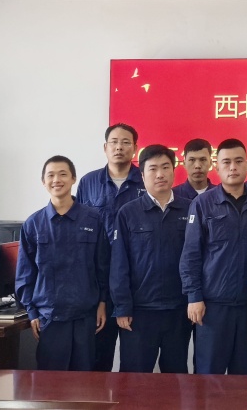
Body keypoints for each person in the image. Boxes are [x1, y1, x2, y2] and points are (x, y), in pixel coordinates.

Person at [180, 138, 247, 374]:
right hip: (213, 306)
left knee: (246, 376)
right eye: (227, 162)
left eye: (239, 161)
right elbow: (191, 254)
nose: (233, 167)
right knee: (209, 375)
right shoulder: (202, 204)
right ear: (217, 167)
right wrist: (194, 296)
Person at [15, 156, 108, 371]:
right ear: (43, 182)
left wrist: (103, 302)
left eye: (63, 174)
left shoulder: (93, 219)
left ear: (73, 178)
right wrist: (31, 312)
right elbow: (25, 274)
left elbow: (103, 265)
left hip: (86, 317)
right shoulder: (33, 224)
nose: (57, 180)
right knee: (50, 384)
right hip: (49, 318)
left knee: (84, 383)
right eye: (51, 175)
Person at [110, 145, 191, 373]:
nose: (160, 174)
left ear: (174, 171)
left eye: (165, 167)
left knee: (176, 376)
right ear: (142, 175)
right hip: (140, 312)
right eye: (153, 169)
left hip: (178, 310)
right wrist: (122, 307)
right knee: (134, 377)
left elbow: (197, 259)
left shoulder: (190, 209)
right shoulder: (128, 213)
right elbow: (119, 264)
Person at [76, 122, 145, 371]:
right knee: (97, 357)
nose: (119, 147)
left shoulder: (145, 181)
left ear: (135, 148)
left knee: (135, 361)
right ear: (105, 147)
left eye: (126, 143)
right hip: (98, 281)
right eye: (114, 142)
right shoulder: (88, 182)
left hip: (135, 282)